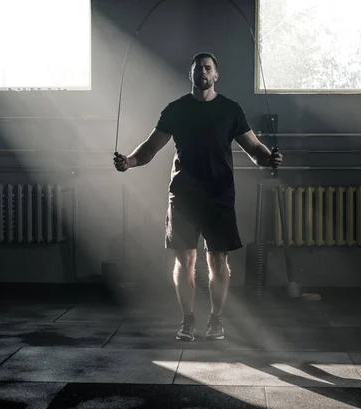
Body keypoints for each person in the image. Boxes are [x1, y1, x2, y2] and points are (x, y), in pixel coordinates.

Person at [113, 52, 282, 341]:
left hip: (219, 195)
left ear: (215, 75)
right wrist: (128, 161)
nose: (203, 72)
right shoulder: (176, 110)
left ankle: (215, 321)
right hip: (184, 195)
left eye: (208, 68)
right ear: (190, 75)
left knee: (217, 260)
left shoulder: (230, 110)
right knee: (186, 260)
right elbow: (151, 147)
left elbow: (254, 149)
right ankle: (188, 320)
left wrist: (271, 159)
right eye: (198, 68)